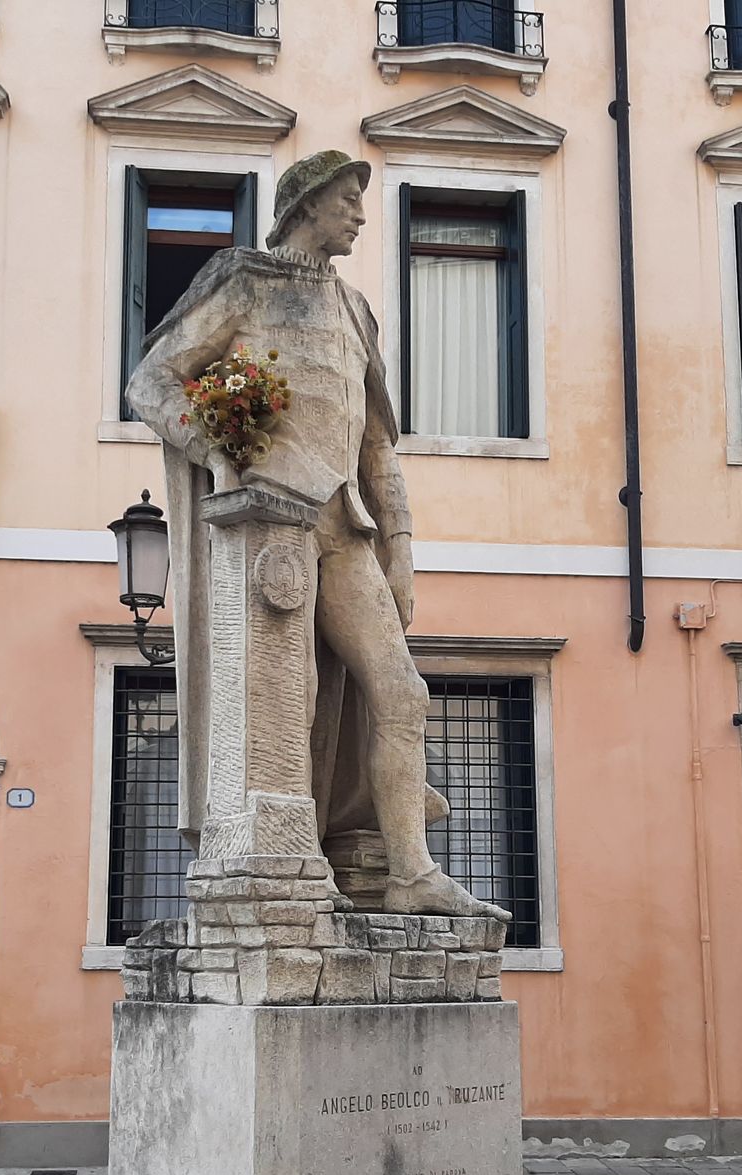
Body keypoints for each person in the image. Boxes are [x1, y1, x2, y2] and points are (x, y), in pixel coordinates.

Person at [128, 150, 505, 922]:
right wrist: (215, 446)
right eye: (345, 200)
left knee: (403, 691)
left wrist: (401, 548)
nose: (360, 215)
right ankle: (280, 862)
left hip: (346, 528)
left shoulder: (356, 311)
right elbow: (150, 380)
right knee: (282, 700)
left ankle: (409, 870)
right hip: (270, 517)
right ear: (302, 206)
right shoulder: (245, 282)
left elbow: (376, 447)